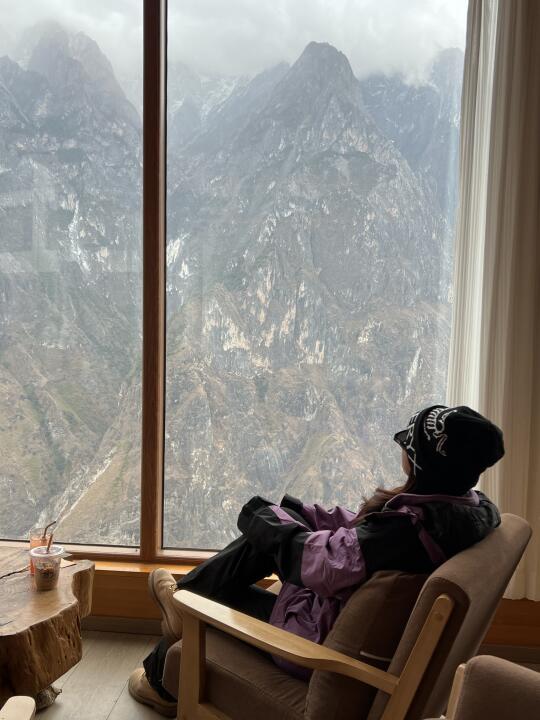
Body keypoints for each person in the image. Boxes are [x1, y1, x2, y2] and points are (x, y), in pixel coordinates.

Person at [128, 404, 504, 716]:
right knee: (276, 529)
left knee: (257, 544)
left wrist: (260, 516)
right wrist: (299, 514)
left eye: (410, 445)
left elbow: (320, 565)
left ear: (423, 463)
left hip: (311, 643)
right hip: (338, 620)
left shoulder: (403, 534)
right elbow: (358, 539)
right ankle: (183, 603)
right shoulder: (465, 511)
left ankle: (166, 658)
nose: (402, 449)